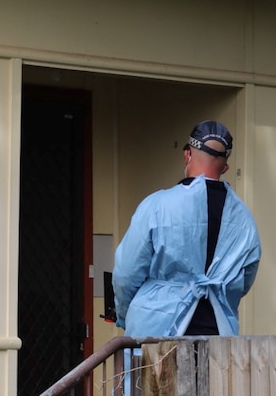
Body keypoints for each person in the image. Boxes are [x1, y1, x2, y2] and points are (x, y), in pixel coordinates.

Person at [112, 120, 261, 336]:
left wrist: (126, 314)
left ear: (187, 155)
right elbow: (244, 280)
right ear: (225, 167)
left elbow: (127, 273)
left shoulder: (157, 205)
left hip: (157, 334)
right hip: (218, 336)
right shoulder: (245, 219)